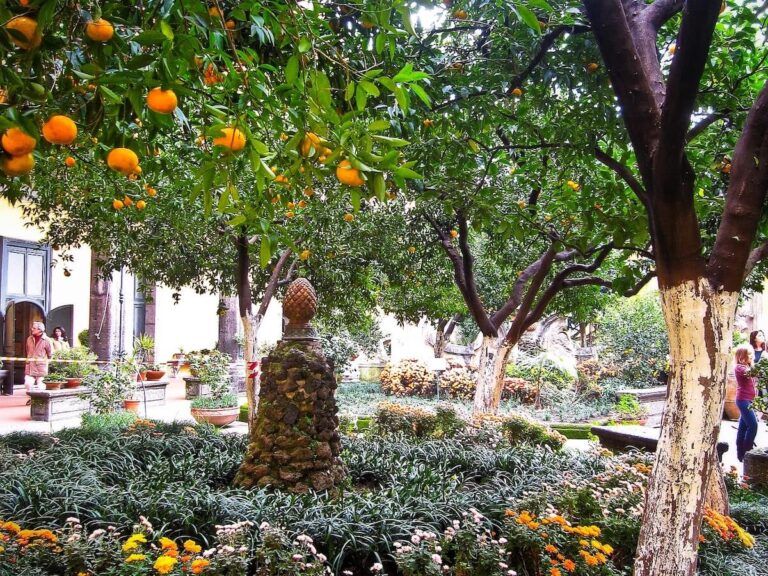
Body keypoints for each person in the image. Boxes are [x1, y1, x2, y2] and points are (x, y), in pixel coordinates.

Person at [734, 344, 759, 462]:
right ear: (741, 358)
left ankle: (741, 454)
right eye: (749, 354)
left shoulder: (748, 367)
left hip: (749, 401)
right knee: (753, 426)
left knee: (743, 427)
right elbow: (752, 373)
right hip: (743, 401)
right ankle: (747, 452)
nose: (752, 356)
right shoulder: (739, 368)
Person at [25, 321, 52, 393]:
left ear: (40, 330)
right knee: (28, 384)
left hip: (41, 366)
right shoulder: (29, 339)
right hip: (30, 365)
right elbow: (27, 350)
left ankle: (39, 401)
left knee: (41, 385)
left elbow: (50, 354)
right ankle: (31, 399)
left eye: (34, 328)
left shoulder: (47, 340)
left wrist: (45, 361)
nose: (32, 329)